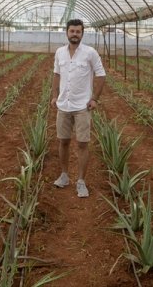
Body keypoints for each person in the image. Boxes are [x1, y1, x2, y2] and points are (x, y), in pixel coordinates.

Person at [51, 18, 106, 198]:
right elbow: (56, 74)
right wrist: (54, 96)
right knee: (63, 141)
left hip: (82, 106)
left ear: (82, 33)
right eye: (72, 31)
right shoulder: (60, 52)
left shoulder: (90, 53)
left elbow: (101, 75)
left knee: (82, 143)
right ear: (67, 32)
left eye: (78, 32)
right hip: (64, 105)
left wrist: (94, 98)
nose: (75, 34)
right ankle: (64, 175)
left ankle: (81, 181)